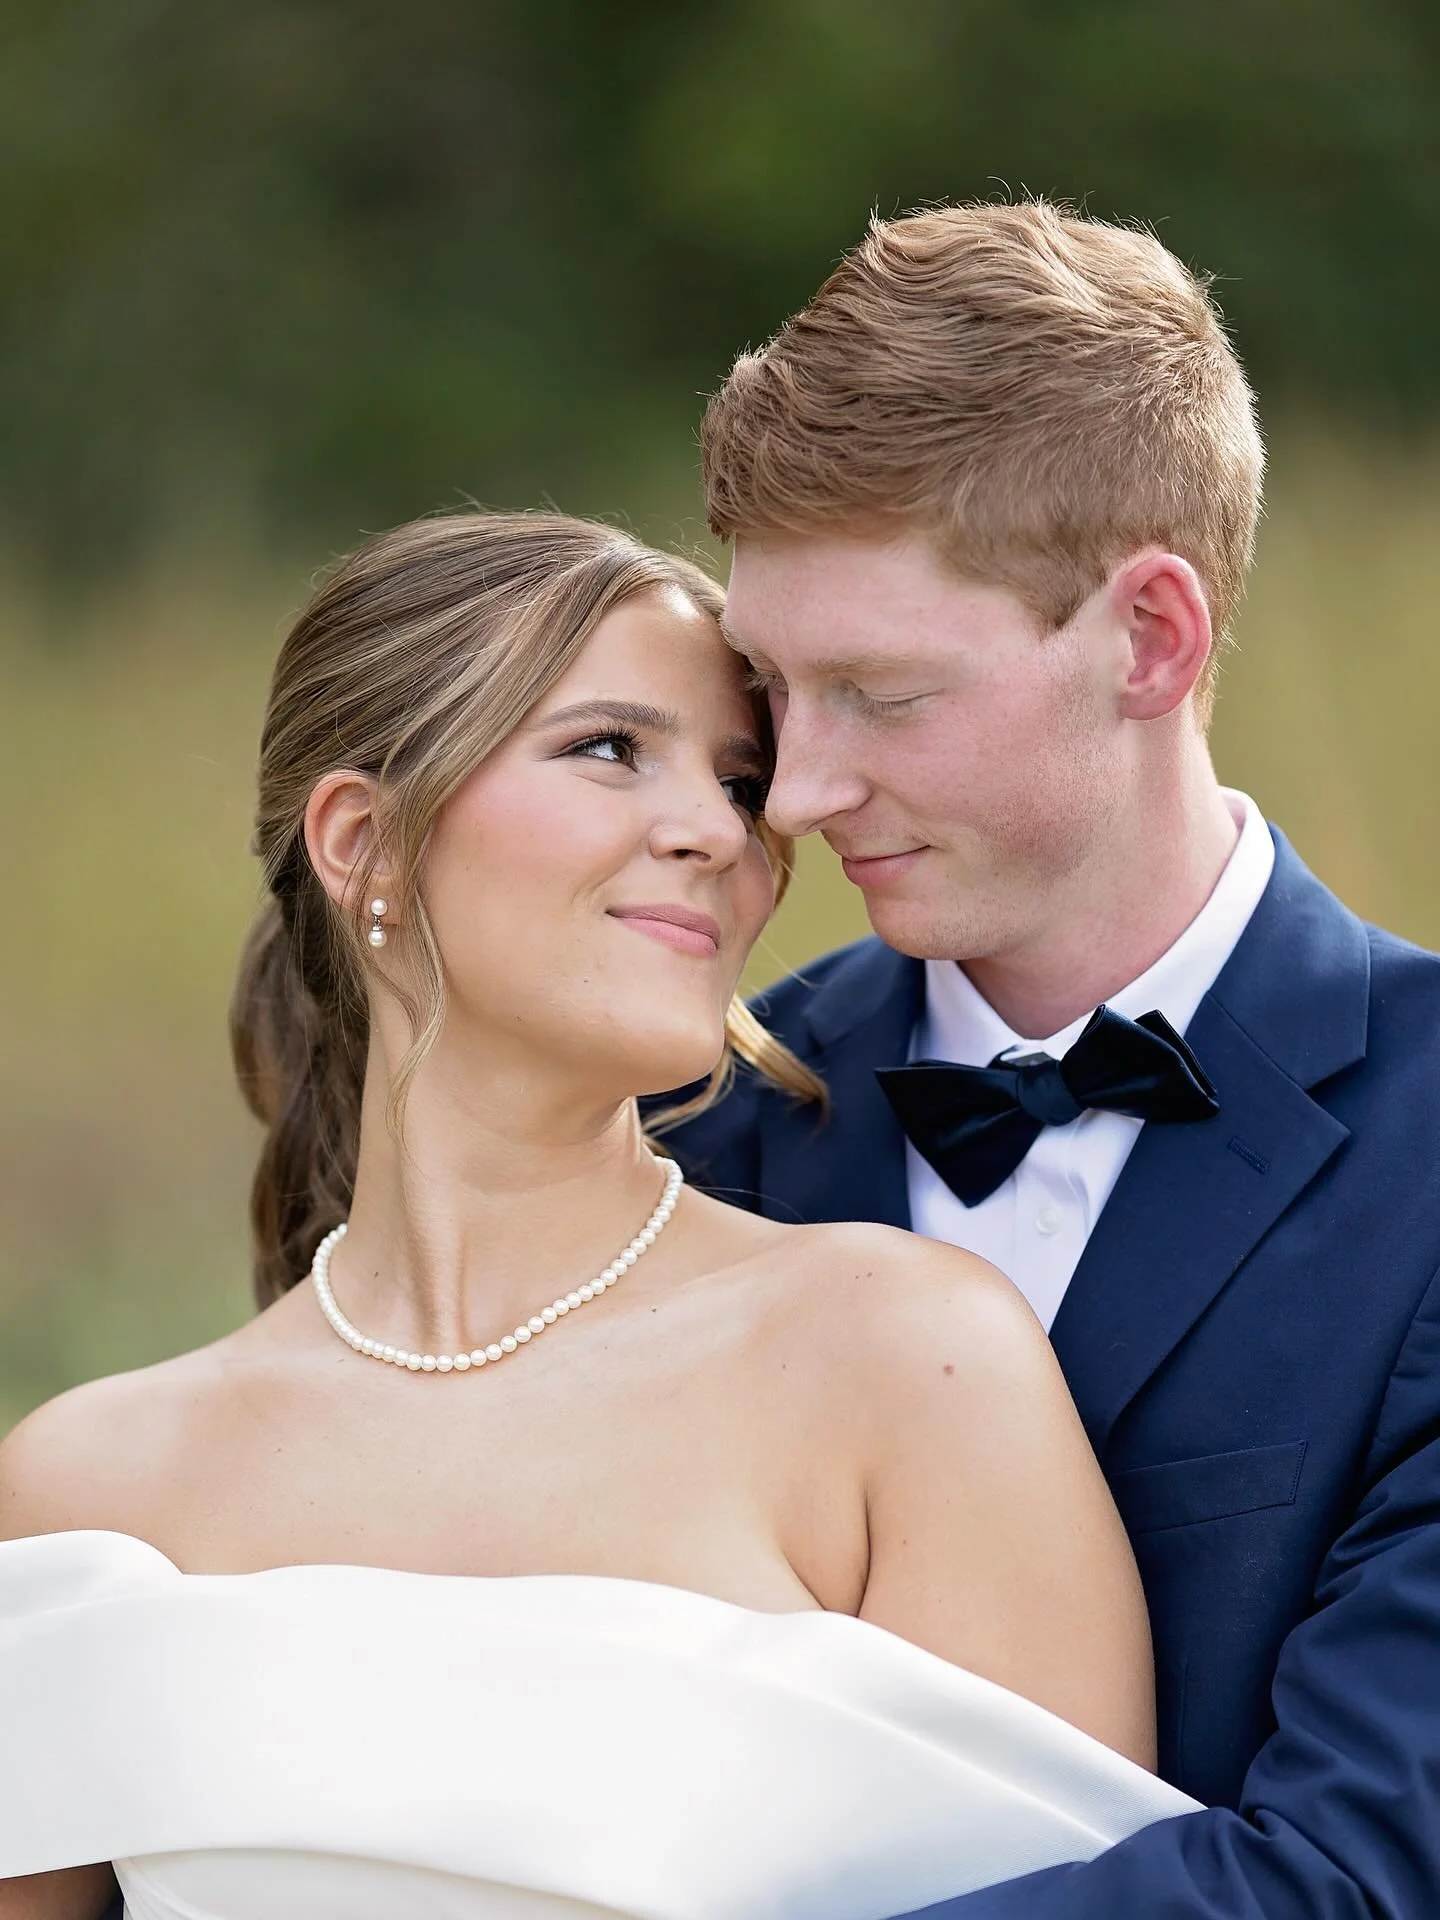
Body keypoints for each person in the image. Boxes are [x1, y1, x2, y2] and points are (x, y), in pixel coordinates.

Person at [0, 511, 1189, 1920]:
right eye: (610, 749)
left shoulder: (903, 1362)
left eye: (738, 781)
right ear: (366, 840)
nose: (717, 833)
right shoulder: (87, 1486)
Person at [662, 200, 1440, 1917]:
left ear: (1150, 637)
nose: (791, 796)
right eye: (775, 690)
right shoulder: (690, 1125)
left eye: (883, 693)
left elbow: (1364, 1879)